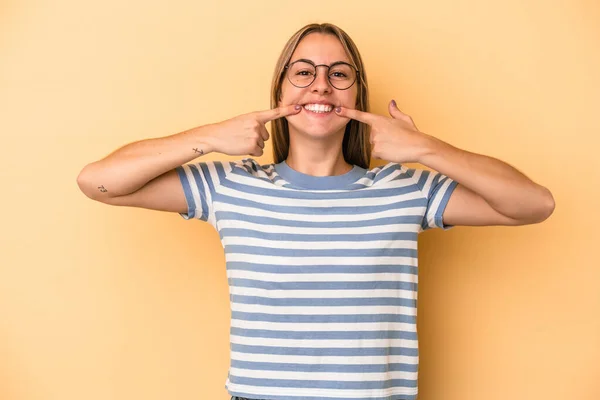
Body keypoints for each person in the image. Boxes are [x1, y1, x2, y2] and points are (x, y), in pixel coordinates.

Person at [77, 22, 555, 400]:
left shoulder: (404, 188)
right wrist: (207, 137)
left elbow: (534, 205)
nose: (321, 86)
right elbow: (98, 182)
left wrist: (426, 149)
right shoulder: (231, 186)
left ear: (355, 92)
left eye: (338, 73)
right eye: (303, 72)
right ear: (281, 92)